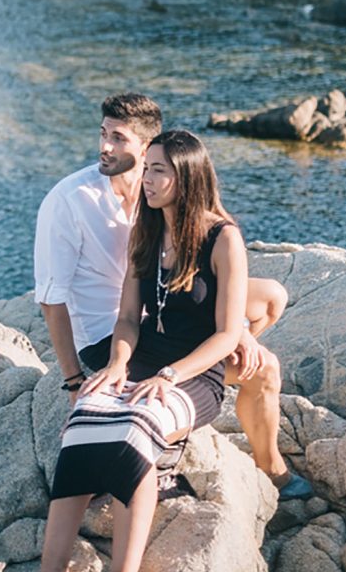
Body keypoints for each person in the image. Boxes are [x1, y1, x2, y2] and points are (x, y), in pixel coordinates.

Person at [13, 130, 248, 572]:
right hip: (143, 358)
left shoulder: (223, 239)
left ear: (187, 177)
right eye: (149, 168)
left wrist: (169, 375)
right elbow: (126, 319)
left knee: (136, 430)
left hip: (197, 375)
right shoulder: (146, 229)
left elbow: (228, 336)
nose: (148, 179)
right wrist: (117, 365)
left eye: (159, 169)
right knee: (82, 420)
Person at [34, 92, 311, 498]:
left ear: (149, 148)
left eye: (119, 138)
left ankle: (251, 441)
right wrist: (75, 382)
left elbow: (206, 264)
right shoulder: (69, 201)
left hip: (165, 309)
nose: (104, 147)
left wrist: (237, 333)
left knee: (271, 296)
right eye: (103, 134)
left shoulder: (161, 190)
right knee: (265, 367)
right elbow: (50, 299)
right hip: (111, 333)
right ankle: (271, 466)